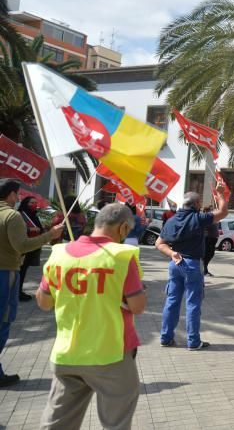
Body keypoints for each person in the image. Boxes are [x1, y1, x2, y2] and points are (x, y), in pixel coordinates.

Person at [36, 203, 146, 428]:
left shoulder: (59, 254)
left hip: (66, 354)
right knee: (116, 422)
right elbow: (137, 306)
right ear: (124, 228)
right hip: (110, 354)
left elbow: (44, 302)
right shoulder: (121, 257)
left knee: (58, 421)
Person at [0, 179, 64, 387]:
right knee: (4, 320)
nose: (18, 197)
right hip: (6, 271)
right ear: (10, 194)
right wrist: (50, 235)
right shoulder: (12, 216)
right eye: (17, 194)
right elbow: (22, 245)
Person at [156, 184, 228, 350]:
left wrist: (172, 253)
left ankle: (166, 338)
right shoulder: (198, 218)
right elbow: (223, 212)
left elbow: (159, 243)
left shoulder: (171, 220)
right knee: (193, 303)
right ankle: (193, 341)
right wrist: (220, 194)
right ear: (196, 204)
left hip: (175, 264)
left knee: (172, 301)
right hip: (192, 265)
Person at [18, 196, 46, 302]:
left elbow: (39, 228)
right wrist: (31, 228)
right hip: (23, 247)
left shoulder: (34, 215)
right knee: (20, 270)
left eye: (36, 202)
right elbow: (20, 228)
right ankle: (17, 293)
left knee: (23, 270)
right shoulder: (20, 214)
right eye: (32, 203)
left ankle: (18, 291)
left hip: (32, 247)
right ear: (26, 203)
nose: (35, 205)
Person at [202, 206, 217, 277]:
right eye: (211, 210)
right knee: (207, 255)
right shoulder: (205, 218)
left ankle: (204, 269)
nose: (212, 211)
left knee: (211, 254)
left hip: (212, 238)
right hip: (208, 238)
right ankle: (204, 271)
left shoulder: (211, 218)